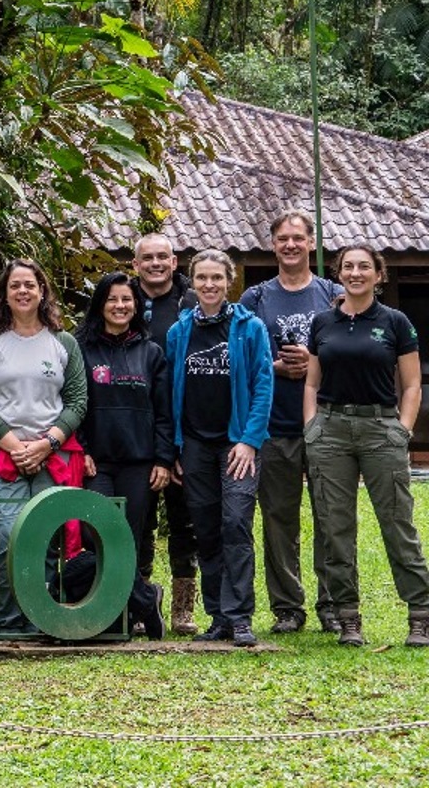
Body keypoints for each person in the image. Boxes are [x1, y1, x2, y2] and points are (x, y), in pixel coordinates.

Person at [304, 243, 429, 648]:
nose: (355, 273)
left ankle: (420, 615)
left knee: (398, 525)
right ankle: (348, 618)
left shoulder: (395, 322)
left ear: (378, 274)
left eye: (364, 267)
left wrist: (403, 430)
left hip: (380, 430)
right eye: (348, 267)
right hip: (331, 431)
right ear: (339, 274)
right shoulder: (322, 322)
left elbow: (411, 385)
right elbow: (310, 382)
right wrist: (312, 427)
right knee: (335, 529)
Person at [0, 258, 88, 636]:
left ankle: (41, 617)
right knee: (6, 537)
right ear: (4, 293)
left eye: (29, 285)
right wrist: (18, 446)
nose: (22, 291)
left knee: (46, 535)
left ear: (42, 291)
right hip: (3, 452)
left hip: (53, 454)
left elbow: (78, 400)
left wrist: (47, 444)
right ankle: (6, 621)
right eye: (15, 285)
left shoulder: (63, 342)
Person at [238, 210, 340, 635]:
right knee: (279, 520)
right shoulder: (255, 299)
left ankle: (333, 603)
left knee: (331, 518)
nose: (291, 245)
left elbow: (351, 354)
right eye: (283, 238)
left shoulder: (333, 294)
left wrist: (312, 363)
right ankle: (287, 607)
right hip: (274, 425)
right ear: (273, 244)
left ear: (311, 242)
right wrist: (277, 366)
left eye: (298, 238)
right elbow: (239, 362)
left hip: (326, 425)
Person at [163, 249, 273, 647]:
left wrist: (248, 441)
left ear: (230, 282)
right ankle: (218, 617)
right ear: (192, 281)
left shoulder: (250, 327)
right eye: (202, 278)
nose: (209, 285)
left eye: (217, 278)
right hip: (194, 445)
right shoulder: (180, 332)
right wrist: (175, 447)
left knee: (236, 523)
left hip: (236, 446)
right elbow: (172, 389)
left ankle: (240, 615)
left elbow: (264, 385)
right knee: (206, 530)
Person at [75, 273, 172, 639]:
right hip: (95, 462)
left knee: (128, 539)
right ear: (101, 304)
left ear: (136, 306)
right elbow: (74, 404)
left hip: (139, 462)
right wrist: (81, 449)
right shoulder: (81, 349)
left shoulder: (151, 353)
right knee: (96, 536)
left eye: (127, 300)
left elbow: (164, 412)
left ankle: (118, 618)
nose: (120, 306)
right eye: (112, 299)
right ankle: (147, 599)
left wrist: (163, 459)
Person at [132, 232, 200, 634]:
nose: (156, 264)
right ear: (136, 264)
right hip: (137, 426)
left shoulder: (191, 302)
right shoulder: (123, 299)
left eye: (163, 257)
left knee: (184, 520)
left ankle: (183, 609)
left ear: (175, 263)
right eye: (148, 258)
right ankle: (140, 603)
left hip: (184, 424)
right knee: (140, 520)